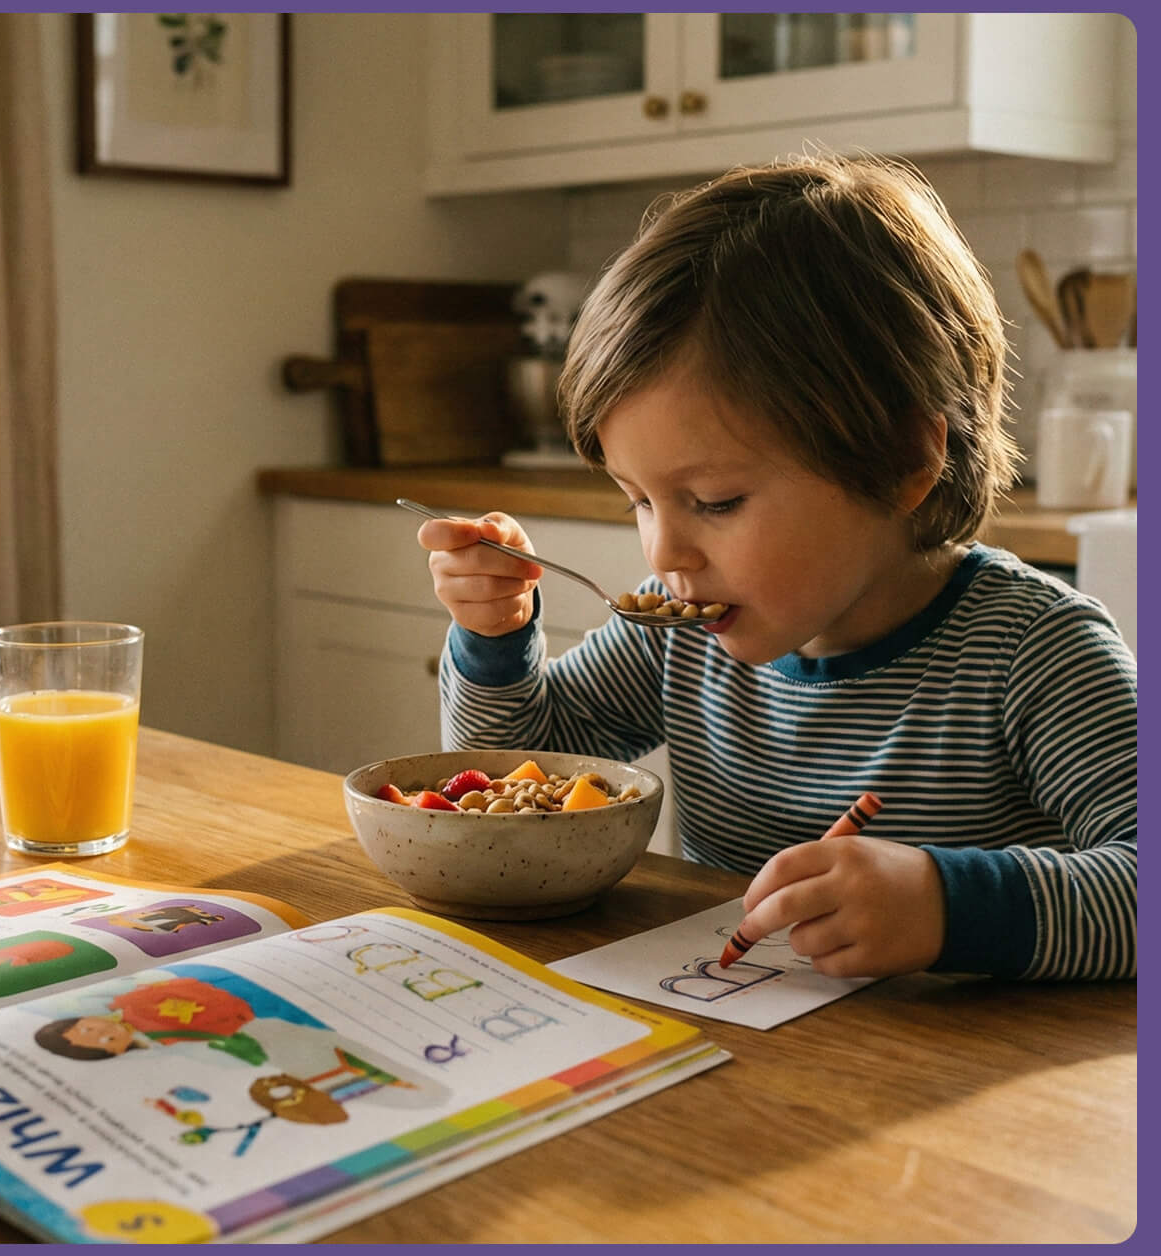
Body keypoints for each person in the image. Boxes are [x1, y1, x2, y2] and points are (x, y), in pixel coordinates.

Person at [414, 154, 1134, 981]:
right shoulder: (675, 630)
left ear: (904, 460)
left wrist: (947, 905)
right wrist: (496, 640)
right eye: (638, 501)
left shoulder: (1035, 653)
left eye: (715, 501)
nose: (663, 553)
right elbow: (515, 776)